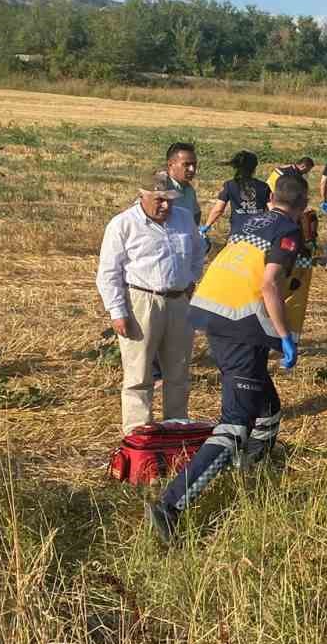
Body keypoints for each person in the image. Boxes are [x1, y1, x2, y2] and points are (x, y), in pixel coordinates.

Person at [148, 171, 310, 543]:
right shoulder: (288, 230)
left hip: (212, 310)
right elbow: (269, 283)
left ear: (271, 200)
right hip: (241, 321)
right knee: (236, 424)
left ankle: (252, 473)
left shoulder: (253, 220)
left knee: (267, 406)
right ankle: (171, 505)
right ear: (302, 208)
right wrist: (285, 336)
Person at [96, 171, 205, 434]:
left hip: (179, 302)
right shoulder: (123, 224)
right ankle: (138, 433)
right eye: (159, 200)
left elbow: (197, 252)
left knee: (178, 371)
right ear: (142, 196)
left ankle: (176, 427)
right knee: (139, 372)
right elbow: (108, 272)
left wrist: (191, 279)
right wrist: (117, 311)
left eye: (170, 199)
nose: (166, 206)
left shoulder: (183, 218)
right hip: (141, 302)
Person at [203, 151, 272, 242]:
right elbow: (273, 210)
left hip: (237, 235)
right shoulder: (264, 186)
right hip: (260, 236)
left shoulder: (230, 185)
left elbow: (218, 210)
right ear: (255, 167)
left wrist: (206, 226)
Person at [165, 143, 200, 224]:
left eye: (194, 164)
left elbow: (196, 214)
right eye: (186, 164)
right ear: (170, 164)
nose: (192, 169)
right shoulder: (160, 187)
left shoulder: (189, 190)